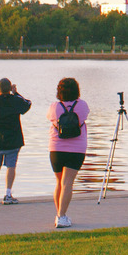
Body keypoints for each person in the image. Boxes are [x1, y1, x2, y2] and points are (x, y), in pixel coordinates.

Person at [0, 77, 31, 204]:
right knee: (11, 167)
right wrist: (16, 93)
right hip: (13, 140)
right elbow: (28, 104)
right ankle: (8, 195)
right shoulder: (16, 101)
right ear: (10, 89)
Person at [47, 77, 89, 228]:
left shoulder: (54, 107)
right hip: (76, 149)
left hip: (56, 149)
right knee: (68, 183)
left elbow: (51, 119)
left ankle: (59, 215)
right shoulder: (82, 105)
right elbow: (83, 118)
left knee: (59, 182)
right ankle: (61, 216)